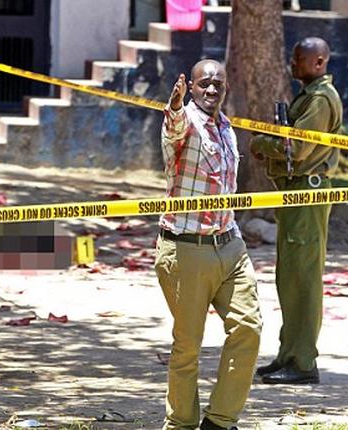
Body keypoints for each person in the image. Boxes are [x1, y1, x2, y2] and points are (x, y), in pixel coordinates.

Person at [154, 59, 262, 430]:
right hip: (186, 248)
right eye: (204, 84)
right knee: (188, 346)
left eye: (218, 84)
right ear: (192, 87)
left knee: (249, 327)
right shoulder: (184, 124)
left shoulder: (227, 129)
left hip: (230, 245)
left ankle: (219, 422)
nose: (212, 90)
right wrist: (176, 105)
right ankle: (181, 423)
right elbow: (173, 129)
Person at [250, 37, 342, 384]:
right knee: (290, 276)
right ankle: (289, 353)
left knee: (303, 279)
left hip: (308, 192)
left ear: (319, 63)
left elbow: (297, 148)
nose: (292, 64)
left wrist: (261, 142)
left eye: (299, 59)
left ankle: (303, 361)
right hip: (297, 193)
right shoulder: (311, 95)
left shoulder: (319, 99)